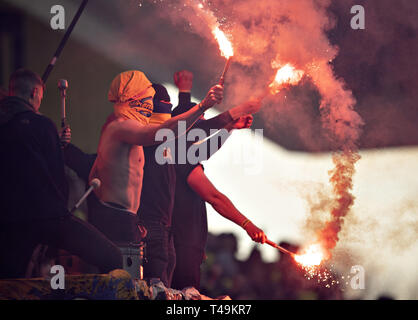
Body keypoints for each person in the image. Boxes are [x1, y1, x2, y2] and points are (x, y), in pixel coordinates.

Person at [0, 69, 123, 279]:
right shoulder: (43, 124)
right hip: (48, 216)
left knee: (11, 280)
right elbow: (57, 179)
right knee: (112, 257)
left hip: (10, 221)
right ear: (34, 93)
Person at [88, 70, 224, 244]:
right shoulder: (122, 127)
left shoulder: (126, 130)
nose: (149, 105)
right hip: (117, 219)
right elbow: (164, 132)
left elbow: (94, 175)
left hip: (127, 219)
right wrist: (203, 106)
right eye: (147, 97)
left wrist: (132, 218)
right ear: (134, 97)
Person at [170, 70, 267, 292]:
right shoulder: (178, 157)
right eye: (200, 123)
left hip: (186, 246)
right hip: (181, 246)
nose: (204, 130)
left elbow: (202, 150)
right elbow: (214, 198)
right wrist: (246, 224)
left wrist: (230, 127)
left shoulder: (178, 152)